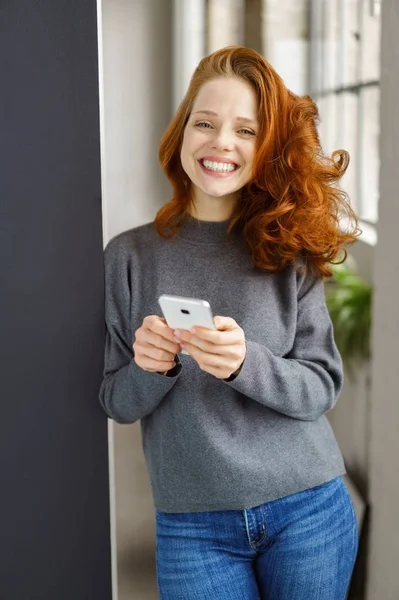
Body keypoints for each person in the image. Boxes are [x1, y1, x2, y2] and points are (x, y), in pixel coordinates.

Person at [99, 45, 360, 600]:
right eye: (206, 123)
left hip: (308, 511)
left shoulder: (290, 249)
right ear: (182, 134)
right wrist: (151, 368)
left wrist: (247, 364)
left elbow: (321, 387)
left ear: (264, 149)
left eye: (245, 130)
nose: (221, 142)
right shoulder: (128, 256)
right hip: (193, 526)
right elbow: (116, 402)